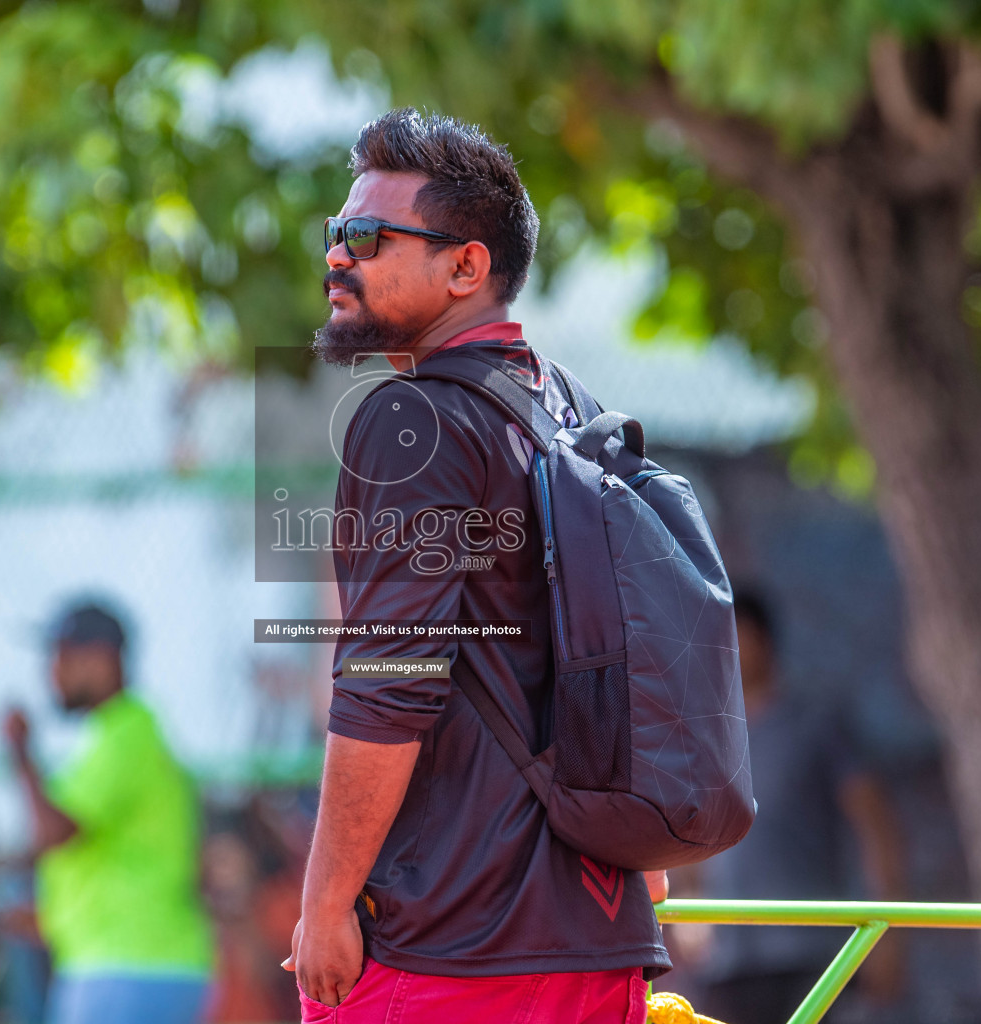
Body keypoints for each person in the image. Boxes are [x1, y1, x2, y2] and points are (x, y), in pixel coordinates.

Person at [285, 108, 670, 1024]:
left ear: (467, 266)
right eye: (337, 233)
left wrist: (324, 905)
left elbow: (388, 683)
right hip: (599, 939)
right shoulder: (576, 413)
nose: (339, 256)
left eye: (370, 236)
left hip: (450, 955)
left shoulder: (408, 421)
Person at [685, 590, 907, 1024]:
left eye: (735, 632)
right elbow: (689, 835)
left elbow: (876, 826)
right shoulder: (704, 739)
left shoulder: (817, 722)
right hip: (728, 961)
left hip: (810, 951)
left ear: (764, 638)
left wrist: (887, 933)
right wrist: (689, 921)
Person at [2, 601, 213, 1024]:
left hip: (128, 967)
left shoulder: (124, 734)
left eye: (60, 656)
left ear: (100, 659)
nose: (51, 672)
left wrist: (21, 754)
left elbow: (54, 832)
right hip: (132, 964)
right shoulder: (117, 735)